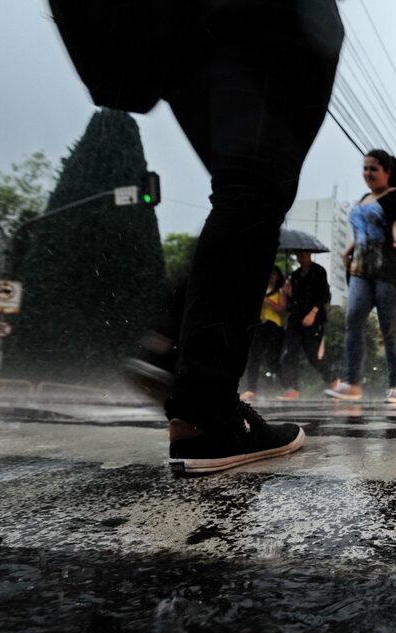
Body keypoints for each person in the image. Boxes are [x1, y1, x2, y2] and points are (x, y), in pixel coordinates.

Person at [48, 0, 344, 473]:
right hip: (249, 18)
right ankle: (202, 406)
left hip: (177, 28)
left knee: (246, 190)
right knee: (254, 189)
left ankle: (172, 355)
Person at [325, 149, 396, 404]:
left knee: (388, 329)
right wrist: (347, 251)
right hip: (361, 271)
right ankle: (352, 383)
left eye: (373, 168)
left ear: (387, 172)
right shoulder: (364, 198)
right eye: (365, 168)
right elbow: (362, 229)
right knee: (353, 319)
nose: (367, 173)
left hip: (390, 273)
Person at [277, 250, 336, 399]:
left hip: (314, 319)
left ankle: (333, 380)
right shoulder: (295, 275)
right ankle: (293, 389)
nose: (300, 258)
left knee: (313, 355)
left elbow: (324, 295)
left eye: (303, 255)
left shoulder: (318, 272)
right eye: (298, 255)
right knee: (290, 354)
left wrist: (313, 313)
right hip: (295, 319)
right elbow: (293, 301)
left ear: (310, 254)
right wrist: (287, 293)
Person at [240, 266, 287, 400]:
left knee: (272, 359)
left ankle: (287, 386)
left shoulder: (280, 291)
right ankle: (251, 389)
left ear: (277, 277)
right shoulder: (258, 292)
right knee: (254, 357)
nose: (271, 276)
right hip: (260, 327)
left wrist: (268, 301)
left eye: (273, 274)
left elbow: (283, 311)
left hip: (274, 328)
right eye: (269, 274)